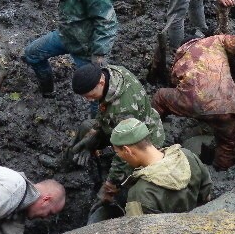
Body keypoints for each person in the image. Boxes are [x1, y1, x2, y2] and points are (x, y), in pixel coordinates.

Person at [69, 63, 165, 222]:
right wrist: (93, 134)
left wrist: (110, 185)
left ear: (100, 82)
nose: (87, 100)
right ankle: (67, 161)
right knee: (87, 127)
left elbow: (123, 154)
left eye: (89, 95)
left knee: (134, 179)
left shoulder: (124, 109)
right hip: (117, 126)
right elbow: (104, 107)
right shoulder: (111, 73)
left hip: (143, 140)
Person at [24, 0, 117, 96]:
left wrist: (99, 54)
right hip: (67, 34)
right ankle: (48, 92)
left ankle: (96, 120)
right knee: (32, 53)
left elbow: (107, 20)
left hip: (86, 46)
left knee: (94, 88)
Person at [152, 34, 235, 170]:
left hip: (193, 101)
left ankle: (151, 128)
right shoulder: (215, 41)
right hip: (228, 106)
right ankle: (222, 173)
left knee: (160, 96)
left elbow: (176, 83)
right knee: (227, 144)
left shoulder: (180, 59)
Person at [109, 117, 212, 216]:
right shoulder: (187, 155)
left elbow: (138, 231)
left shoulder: (140, 193)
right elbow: (207, 197)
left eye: (118, 152)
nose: (119, 156)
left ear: (127, 150)